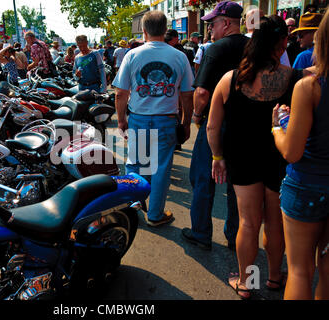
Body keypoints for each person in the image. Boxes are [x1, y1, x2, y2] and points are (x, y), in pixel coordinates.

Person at [208, 15, 303, 299]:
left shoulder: (231, 79)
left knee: (248, 222)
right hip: (281, 157)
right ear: (284, 43)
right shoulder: (296, 79)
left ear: (253, 41)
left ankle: (247, 283)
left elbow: (212, 126)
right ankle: (274, 277)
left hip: (242, 157)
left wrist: (217, 156)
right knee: (275, 222)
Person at [112, 10, 194, 227]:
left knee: (135, 165)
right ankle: (155, 215)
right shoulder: (179, 56)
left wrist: (121, 120)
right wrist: (186, 123)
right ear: (165, 30)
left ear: (144, 31)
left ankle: (130, 209)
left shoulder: (132, 54)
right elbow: (187, 94)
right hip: (166, 121)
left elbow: (120, 93)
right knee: (160, 169)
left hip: (138, 119)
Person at [272, 7, 329, 300]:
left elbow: (292, 152)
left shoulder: (310, 85)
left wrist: (277, 128)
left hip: (307, 184)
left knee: (298, 270)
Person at [182, 0, 248, 251]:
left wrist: (197, 116)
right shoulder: (253, 48)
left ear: (227, 23)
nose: (209, 29)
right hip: (246, 127)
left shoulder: (216, 49)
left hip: (216, 124)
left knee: (202, 178)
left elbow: (201, 92)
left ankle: (200, 233)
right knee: (237, 183)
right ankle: (236, 236)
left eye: (213, 24)